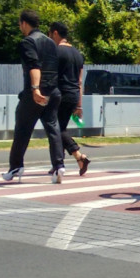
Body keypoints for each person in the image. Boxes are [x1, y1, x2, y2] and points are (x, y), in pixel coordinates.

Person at [3, 9, 65, 183]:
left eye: (19, 24)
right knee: (53, 128)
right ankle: (59, 166)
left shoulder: (28, 42)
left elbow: (34, 66)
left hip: (36, 93)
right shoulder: (51, 42)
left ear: (24, 23)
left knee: (22, 129)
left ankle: (15, 166)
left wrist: (35, 89)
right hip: (54, 91)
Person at [49, 22, 92, 176]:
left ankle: (79, 156)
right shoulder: (77, 54)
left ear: (55, 33)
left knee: (56, 129)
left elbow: (51, 75)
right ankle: (57, 163)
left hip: (60, 93)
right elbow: (80, 81)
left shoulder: (55, 51)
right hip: (73, 95)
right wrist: (79, 105)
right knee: (60, 128)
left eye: (50, 35)